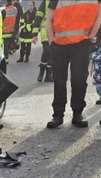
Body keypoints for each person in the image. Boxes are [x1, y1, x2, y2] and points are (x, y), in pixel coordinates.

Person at [45, 0, 101, 129]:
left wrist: (90, 38)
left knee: (79, 80)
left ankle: (77, 114)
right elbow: (49, 19)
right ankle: (58, 115)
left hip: (81, 44)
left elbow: (98, 16)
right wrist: (51, 43)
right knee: (59, 81)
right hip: (59, 44)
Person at [32, 0, 53, 82]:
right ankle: (41, 72)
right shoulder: (46, 2)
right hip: (46, 32)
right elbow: (38, 17)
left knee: (52, 55)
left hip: (56, 33)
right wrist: (34, 34)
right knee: (47, 51)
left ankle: (48, 75)